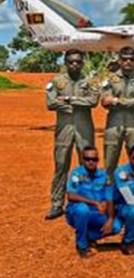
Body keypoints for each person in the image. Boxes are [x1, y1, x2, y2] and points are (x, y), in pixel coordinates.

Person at [45, 48, 99, 220]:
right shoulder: (57, 81)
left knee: (87, 164)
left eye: (78, 61)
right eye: (71, 62)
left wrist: (69, 100)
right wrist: (77, 104)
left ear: (82, 63)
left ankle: (89, 201)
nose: (74, 64)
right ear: (65, 63)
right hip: (64, 128)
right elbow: (50, 103)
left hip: (84, 128)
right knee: (61, 164)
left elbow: (92, 101)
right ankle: (57, 203)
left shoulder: (90, 81)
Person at [100, 46, 134, 180]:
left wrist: (116, 100)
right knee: (109, 163)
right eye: (125, 59)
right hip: (113, 125)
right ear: (119, 61)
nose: (128, 62)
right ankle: (108, 196)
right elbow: (105, 101)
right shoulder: (110, 79)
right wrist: (129, 102)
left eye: (131, 59)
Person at [65, 145, 119, 258]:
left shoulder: (103, 175)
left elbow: (109, 196)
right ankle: (82, 246)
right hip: (77, 211)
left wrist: (110, 218)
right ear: (82, 159)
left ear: (98, 160)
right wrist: (95, 203)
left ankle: (88, 236)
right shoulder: (77, 174)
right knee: (82, 209)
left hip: (96, 212)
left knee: (116, 226)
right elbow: (71, 195)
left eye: (94, 159)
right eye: (87, 159)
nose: (91, 162)